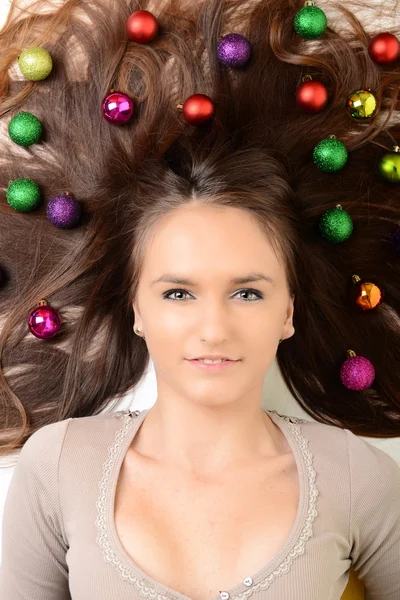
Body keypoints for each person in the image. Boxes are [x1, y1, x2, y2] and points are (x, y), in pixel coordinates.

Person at [0, 0, 399, 597]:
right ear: (136, 308)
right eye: (179, 292)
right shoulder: (57, 469)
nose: (213, 328)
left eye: (246, 291)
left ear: (288, 311)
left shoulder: (355, 478)